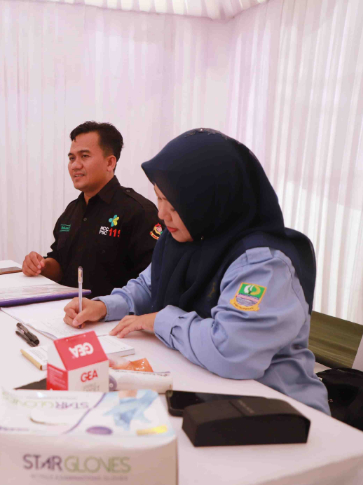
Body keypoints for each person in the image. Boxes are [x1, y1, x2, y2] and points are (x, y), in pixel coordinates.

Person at [63, 128, 330, 414]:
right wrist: (104, 306)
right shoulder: (183, 236)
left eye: (173, 205)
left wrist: (160, 320)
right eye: (159, 199)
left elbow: (231, 351)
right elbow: (148, 285)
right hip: (202, 391)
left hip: (277, 411)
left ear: (208, 200)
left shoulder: (263, 263)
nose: (161, 215)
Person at [22, 121, 161, 297]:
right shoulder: (71, 211)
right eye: (71, 158)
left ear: (110, 163)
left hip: (111, 312)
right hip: (65, 309)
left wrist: (108, 307)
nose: (75, 165)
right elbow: (60, 264)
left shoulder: (139, 211)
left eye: (84, 156)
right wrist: (41, 265)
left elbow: (152, 282)